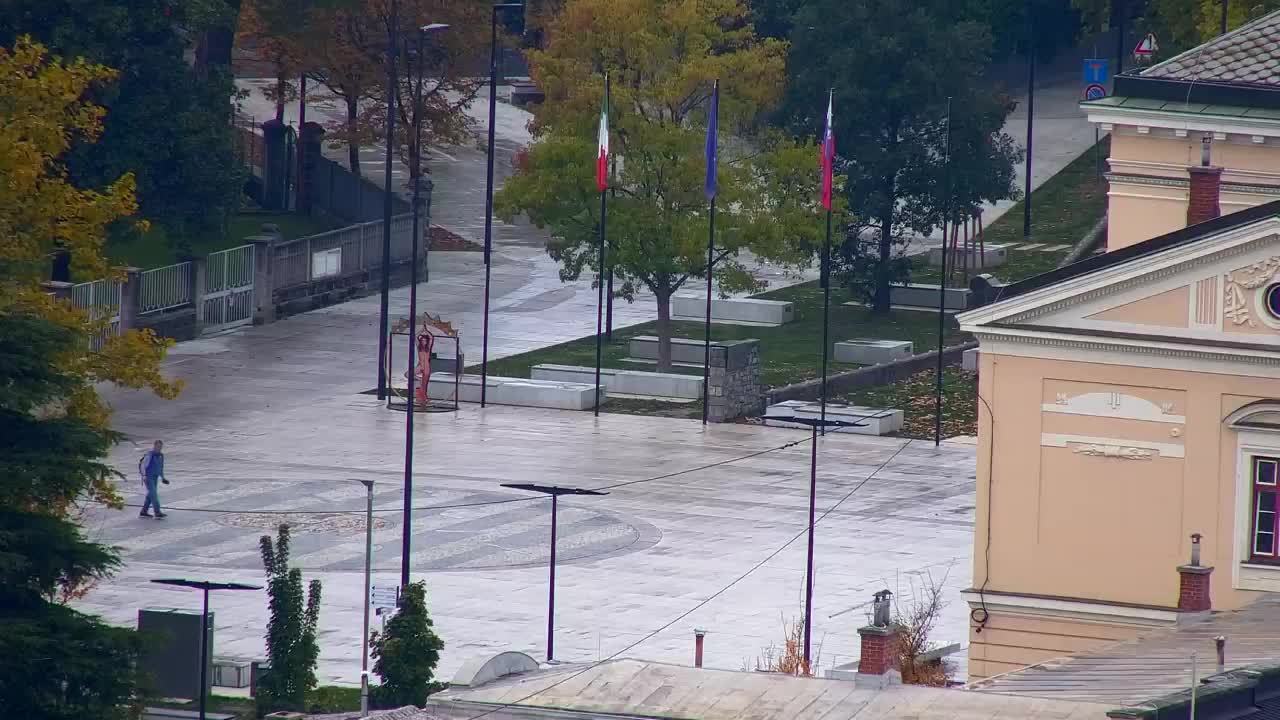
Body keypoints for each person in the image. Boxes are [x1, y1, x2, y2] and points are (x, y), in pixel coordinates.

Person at [138, 440, 169, 518]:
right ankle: (157, 512)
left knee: (151, 494)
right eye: (158, 446)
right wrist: (144, 476)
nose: (159, 448)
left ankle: (144, 511)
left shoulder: (161, 455)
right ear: (154, 446)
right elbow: (143, 465)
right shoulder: (149, 455)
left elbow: (160, 467)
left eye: (160, 447)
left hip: (155, 477)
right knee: (154, 494)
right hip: (148, 477)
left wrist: (162, 477)